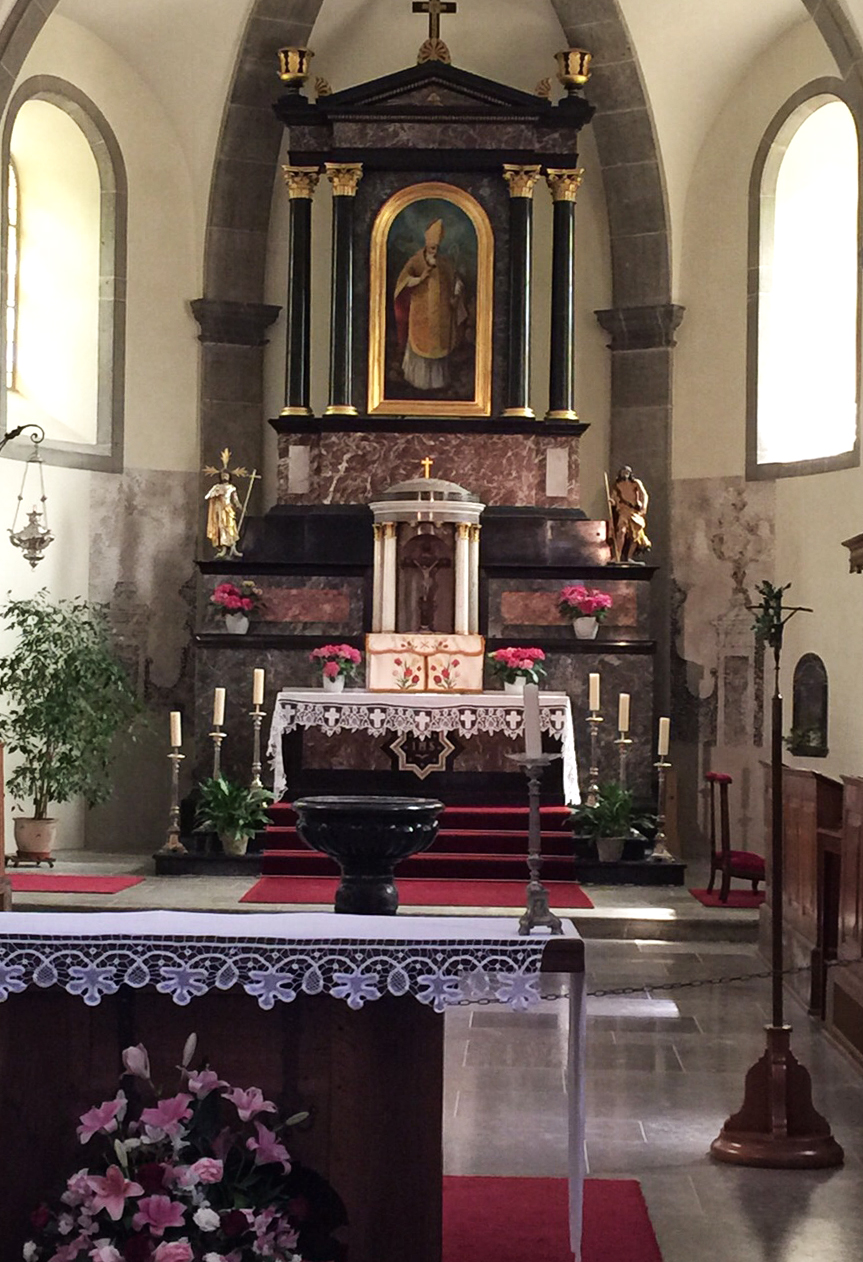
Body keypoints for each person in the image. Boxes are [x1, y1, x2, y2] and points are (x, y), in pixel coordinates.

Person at [393, 218, 467, 391]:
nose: (435, 251)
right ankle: (417, 381)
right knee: (421, 345)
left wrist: (456, 294)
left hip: (441, 314)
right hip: (421, 311)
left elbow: (456, 281)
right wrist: (419, 279)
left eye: (437, 248)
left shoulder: (445, 263)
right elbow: (403, 282)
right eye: (432, 248)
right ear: (427, 246)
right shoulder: (416, 261)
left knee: (438, 348)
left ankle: (438, 382)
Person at [609, 465, 651, 563]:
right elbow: (614, 498)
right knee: (621, 532)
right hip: (623, 511)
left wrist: (643, 507)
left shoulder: (635, 483)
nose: (625, 474)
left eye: (627, 472)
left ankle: (629, 557)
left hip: (634, 511)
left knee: (635, 535)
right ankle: (617, 556)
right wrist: (612, 502)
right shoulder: (617, 485)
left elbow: (644, 495)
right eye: (623, 472)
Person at [205, 470, 243, 559]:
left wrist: (240, 506)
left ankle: (233, 547)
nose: (225, 477)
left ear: (229, 476)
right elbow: (207, 496)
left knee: (231, 527)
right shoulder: (217, 487)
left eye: (226, 475)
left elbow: (235, 500)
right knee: (222, 528)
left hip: (228, 509)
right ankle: (224, 548)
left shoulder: (232, 488)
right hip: (220, 510)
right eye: (223, 475)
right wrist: (216, 493)